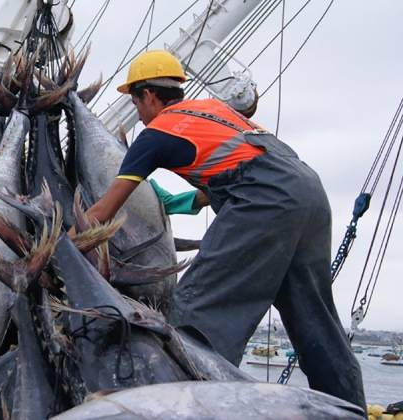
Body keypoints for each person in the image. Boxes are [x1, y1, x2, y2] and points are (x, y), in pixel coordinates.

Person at [81, 50, 365, 408]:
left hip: (266, 201)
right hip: (308, 192)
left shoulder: (155, 134)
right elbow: (229, 176)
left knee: (195, 314)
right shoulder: (214, 111)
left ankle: (193, 409)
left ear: (149, 96)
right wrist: (182, 202)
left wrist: (63, 244)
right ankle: (349, 409)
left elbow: (104, 210)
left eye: (136, 102)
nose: (138, 113)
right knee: (315, 321)